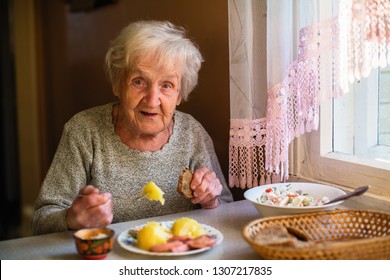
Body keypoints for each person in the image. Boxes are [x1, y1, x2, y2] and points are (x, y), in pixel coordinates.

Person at [32, 20, 233, 235]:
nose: (152, 99)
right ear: (117, 84)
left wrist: (211, 201)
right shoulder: (83, 131)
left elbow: (226, 211)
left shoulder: (192, 133)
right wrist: (72, 219)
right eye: (139, 81)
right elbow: (41, 221)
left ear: (179, 95)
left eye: (166, 85)